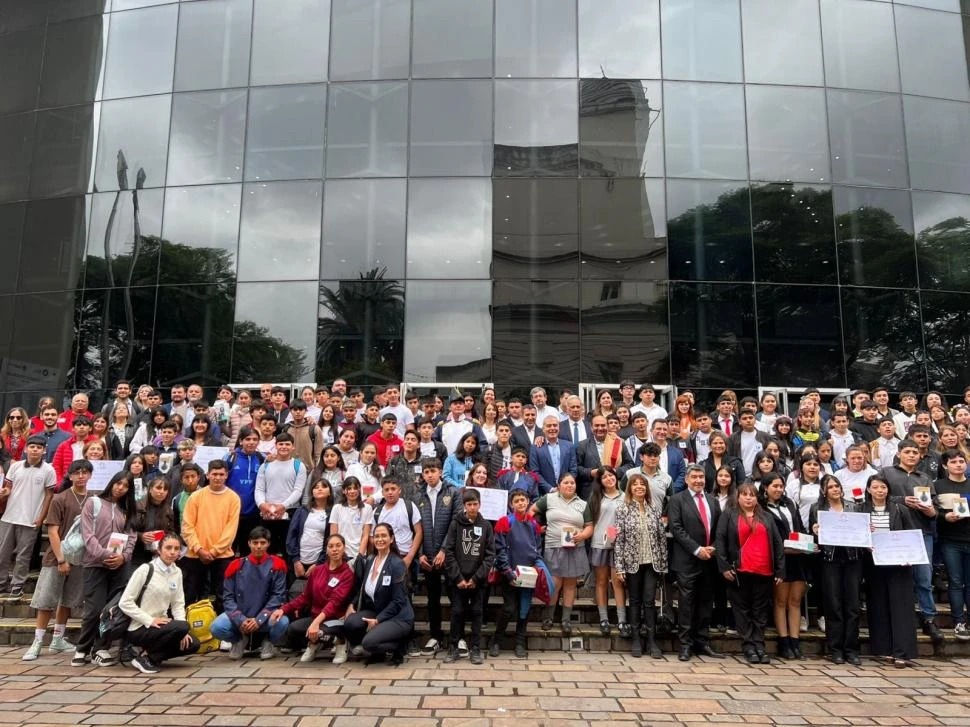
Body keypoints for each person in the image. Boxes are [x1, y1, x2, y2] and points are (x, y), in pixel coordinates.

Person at [22, 459, 92, 661]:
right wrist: (61, 559)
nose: (81, 476)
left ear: (89, 475)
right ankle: (37, 642)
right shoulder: (60, 499)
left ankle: (58, 638)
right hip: (56, 557)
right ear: (69, 475)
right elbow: (52, 531)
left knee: (69, 600)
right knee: (46, 601)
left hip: (80, 558)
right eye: (77, 472)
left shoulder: (93, 499)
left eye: (85, 472)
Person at [877, 439, 943, 643]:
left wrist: (932, 511)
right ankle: (897, 617)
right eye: (908, 451)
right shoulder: (886, 473)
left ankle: (928, 618)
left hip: (921, 531)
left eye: (915, 452)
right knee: (896, 578)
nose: (912, 455)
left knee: (924, 578)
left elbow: (934, 508)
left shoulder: (924, 477)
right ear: (899, 454)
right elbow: (878, 496)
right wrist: (902, 500)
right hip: (894, 532)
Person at [73, 471, 137, 667]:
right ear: (112, 483)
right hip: (95, 564)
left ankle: (100, 648)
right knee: (93, 609)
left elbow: (131, 537)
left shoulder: (126, 510)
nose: (120, 488)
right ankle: (82, 649)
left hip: (119, 567)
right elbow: (88, 535)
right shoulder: (94, 503)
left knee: (111, 610)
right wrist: (103, 554)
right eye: (118, 483)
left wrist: (123, 557)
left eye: (125, 486)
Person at [715, 483, 784, 665]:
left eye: (752, 495)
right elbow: (720, 541)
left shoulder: (767, 517)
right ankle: (748, 646)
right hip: (739, 571)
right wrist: (723, 566)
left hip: (764, 570)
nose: (748, 498)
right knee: (742, 610)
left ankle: (759, 645)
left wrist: (780, 569)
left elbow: (777, 544)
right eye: (744, 495)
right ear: (737, 497)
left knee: (760, 611)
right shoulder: (729, 516)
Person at [119, 532, 200, 674]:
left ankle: (148, 658)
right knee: (182, 627)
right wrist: (149, 620)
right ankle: (147, 655)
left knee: (193, 644)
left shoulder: (177, 572)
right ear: (159, 550)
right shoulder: (145, 570)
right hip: (139, 627)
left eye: (176, 549)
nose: (172, 552)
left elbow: (177, 604)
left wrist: (183, 632)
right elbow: (125, 602)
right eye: (168, 548)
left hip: (162, 626)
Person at [860, 474, 919, 667]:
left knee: (901, 606)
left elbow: (911, 534)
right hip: (873, 564)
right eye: (875, 487)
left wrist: (910, 555)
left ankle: (902, 652)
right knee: (879, 605)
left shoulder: (899, 509)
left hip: (898, 563)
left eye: (883, 487)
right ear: (868, 489)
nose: (879, 491)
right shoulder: (861, 510)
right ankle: (884, 649)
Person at [271, 533, 356, 663]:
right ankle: (314, 643)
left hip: (335, 619)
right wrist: (283, 609)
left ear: (344, 548)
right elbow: (305, 597)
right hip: (316, 616)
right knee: (294, 628)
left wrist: (315, 623)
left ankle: (340, 643)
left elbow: (334, 603)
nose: (334, 549)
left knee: (320, 631)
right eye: (331, 546)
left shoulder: (347, 574)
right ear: (326, 550)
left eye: (338, 545)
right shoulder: (317, 570)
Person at [668, 464, 722, 661]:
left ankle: (702, 641)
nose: (699, 480)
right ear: (687, 480)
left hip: (709, 559)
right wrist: (697, 549)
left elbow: (719, 527)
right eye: (695, 477)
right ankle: (685, 644)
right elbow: (676, 528)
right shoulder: (677, 500)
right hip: (687, 560)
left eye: (701, 477)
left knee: (706, 602)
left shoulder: (712, 500)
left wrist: (713, 547)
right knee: (687, 603)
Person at [210, 527, 290, 661]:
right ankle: (239, 641)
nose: (259, 546)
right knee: (217, 627)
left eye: (262, 543)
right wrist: (240, 619)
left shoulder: (277, 565)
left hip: (265, 617)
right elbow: (228, 598)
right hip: (241, 616)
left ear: (268, 544)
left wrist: (259, 620)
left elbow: (278, 596)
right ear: (249, 543)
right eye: (255, 542)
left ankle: (268, 642)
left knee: (282, 622)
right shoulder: (235, 566)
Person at [344, 523, 415, 666]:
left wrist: (378, 620)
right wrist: (352, 604)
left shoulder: (396, 564)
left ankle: (399, 646)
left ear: (391, 539)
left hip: (398, 616)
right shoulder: (370, 560)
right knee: (350, 623)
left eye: (384, 536)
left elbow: (399, 601)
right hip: (377, 609)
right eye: (376, 536)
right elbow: (364, 587)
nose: (380, 539)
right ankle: (379, 643)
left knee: (368, 643)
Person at [809, 475, 861, 665]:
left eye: (837, 486)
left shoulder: (853, 506)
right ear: (824, 490)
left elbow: (861, 531)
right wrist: (815, 531)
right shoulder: (818, 508)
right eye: (830, 487)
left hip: (852, 558)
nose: (834, 489)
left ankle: (852, 649)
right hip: (829, 559)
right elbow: (813, 536)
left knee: (852, 605)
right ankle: (835, 649)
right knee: (833, 605)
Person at [613, 473, 667, 658]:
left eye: (642, 484)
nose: (639, 487)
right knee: (635, 601)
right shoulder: (622, 509)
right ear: (630, 488)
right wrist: (619, 566)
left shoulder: (654, 508)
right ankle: (636, 639)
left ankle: (652, 641)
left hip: (652, 563)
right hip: (631, 563)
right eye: (635, 485)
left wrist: (663, 565)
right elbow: (618, 540)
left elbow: (661, 539)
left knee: (649, 601)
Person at [532, 472, 592, 636]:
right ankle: (548, 617)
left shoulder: (582, 504)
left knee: (570, 584)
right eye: (566, 482)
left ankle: (566, 620)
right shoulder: (549, 498)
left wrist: (583, 535)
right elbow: (532, 510)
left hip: (575, 548)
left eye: (572, 483)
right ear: (559, 485)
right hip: (553, 546)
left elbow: (589, 526)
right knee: (554, 584)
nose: (570, 485)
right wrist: (535, 528)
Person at [758, 472, 809, 660]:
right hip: (778, 557)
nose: (779, 489)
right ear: (765, 488)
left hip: (797, 556)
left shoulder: (789, 503)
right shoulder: (760, 507)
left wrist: (807, 542)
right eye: (775, 486)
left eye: (781, 486)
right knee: (780, 601)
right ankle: (784, 641)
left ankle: (795, 642)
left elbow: (799, 528)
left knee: (795, 601)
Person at [491, 488, 546, 658]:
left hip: (528, 574)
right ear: (511, 504)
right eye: (517, 501)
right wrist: (507, 572)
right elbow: (499, 550)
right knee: (508, 608)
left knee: (524, 609)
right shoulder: (504, 522)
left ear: (528, 501)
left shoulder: (533, 524)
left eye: (523, 500)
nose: (521, 503)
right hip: (510, 574)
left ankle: (520, 643)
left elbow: (537, 549)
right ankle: (496, 641)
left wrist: (537, 567)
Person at [442, 489, 495, 665]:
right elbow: (448, 551)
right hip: (457, 580)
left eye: (475, 504)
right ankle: (453, 646)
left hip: (477, 581)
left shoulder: (486, 526)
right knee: (457, 612)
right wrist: (458, 578)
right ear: (464, 506)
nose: (472, 507)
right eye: (469, 504)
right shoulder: (455, 524)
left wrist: (475, 578)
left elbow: (489, 556)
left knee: (477, 613)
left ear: (480, 505)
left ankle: (476, 648)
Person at [0, 435, 56, 598]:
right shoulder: (15, 466)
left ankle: (17, 585)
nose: (35, 450)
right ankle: (2, 582)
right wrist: (4, 493)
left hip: (31, 519)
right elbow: (9, 488)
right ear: (26, 449)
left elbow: (49, 495)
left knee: (23, 556)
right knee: (2, 553)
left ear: (44, 451)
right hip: (9, 517)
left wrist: (41, 517)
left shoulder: (48, 470)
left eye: (39, 447)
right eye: (32, 447)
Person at [180, 460, 241, 611]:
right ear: (207, 475)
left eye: (221, 474)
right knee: (190, 593)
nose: (218, 477)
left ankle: (220, 630)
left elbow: (230, 530)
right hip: (195, 555)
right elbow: (187, 526)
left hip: (222, 555)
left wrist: (213, 551)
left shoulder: (233, 498)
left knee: (222, 595)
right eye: (214, 474)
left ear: (226, 475)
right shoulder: (196, 497)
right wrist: (199, 549)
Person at [416, 458, 460, 656]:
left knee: (454, 597)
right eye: (426, 472)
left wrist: (444, 550)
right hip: (428, 556)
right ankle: (435, 636)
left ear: (441, 472)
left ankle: (456, 638)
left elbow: (455, 523)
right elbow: (415, 527)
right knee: (432, 599)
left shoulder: (453, 492)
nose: (430, 475)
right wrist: (420, 554)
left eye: (433, 471)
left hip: (449, 555)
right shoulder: (419, 495)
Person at [935, 449, 970, 641]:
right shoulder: (938, 486)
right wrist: (945, 516)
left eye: (961, 461)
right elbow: (931, 511)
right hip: (950, 541)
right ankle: (958, 621)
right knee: (956, 582)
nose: (958, 464)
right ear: (945, 465)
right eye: (954, 462)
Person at [254, 433, 307, 554]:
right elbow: (259, 489)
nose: (284, 447)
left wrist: (283, 506)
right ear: (275, 446)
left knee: (287, 549)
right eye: (281, 444)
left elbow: (298, 490)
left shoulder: (299, 466)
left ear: (293, 447)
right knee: (267, 549)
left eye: (287, 444)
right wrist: (262, 505)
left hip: (290, 512)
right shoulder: (265, 466)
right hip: (267, 513)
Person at [589, 466, 626, 636]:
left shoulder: (626, 497)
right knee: (601, 582)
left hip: (620, 545)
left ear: (616, 477)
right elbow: (590, 521)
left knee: (618, 582)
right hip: (600, 543)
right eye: (604, 477)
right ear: (600, 481)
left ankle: (622, 620)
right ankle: (603, 619)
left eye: (611, 475)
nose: (609, 479)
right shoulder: (596, 498)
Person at [226, 427, 266, 556]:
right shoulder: (231, 457)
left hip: (252, 513)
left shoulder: (261, 458)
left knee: (247, 551)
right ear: (241, 441)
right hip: (231, 513)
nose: (251, 442)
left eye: (255, 439)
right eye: (248, 439)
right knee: (229, 549)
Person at [576, 414, 632, 500]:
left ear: (607, 426)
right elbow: (577, 468)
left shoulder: (618, 443)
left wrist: (615, 472)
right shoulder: (582, 445)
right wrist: (591, 472)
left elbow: (630, 464)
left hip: (614, 490)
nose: (600, 428)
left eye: (603, 425)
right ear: (591, 428)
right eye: (596, 425)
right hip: (590, 492)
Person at [286, 479, 332, 581]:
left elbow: (330, 541)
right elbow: (291, 536)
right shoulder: (302, 510)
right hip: (298, 562)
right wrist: (296, 560)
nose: (320, 489)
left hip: (319, 563)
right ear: (312, 492)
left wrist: (318, 564)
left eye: (323, 487)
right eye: (316, 487)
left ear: (330, 492)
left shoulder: (333, 512)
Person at [529, 416, 578, 496]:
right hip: (544, 493)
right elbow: (535, 472)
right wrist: (550, 489)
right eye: (548, 426)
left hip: (566, 492)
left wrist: (565, 485)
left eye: (555, 425)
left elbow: (573, 469)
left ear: (559, 428)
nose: (552, 428)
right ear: (543, 429)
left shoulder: (569, 446)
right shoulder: (535, 448)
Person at [131, 477, 175, 566]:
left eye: (165, 489)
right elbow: (127, 529)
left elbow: (171, 531)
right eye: (158, 488)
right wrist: (141, 536)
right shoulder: (137, 505)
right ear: (150, 489)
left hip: (159, 554)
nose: (162, 491)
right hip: (137, 553)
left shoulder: (168, 510)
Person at [329, 477, 373, 565]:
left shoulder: (367, 508)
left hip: (359, 555)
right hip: (341, 555)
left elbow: (365, 536)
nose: (352, 491)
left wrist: (360, 555)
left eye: (355, 488)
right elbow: (333, 534)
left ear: (359, 489)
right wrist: (339, 553)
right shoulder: (337, 508)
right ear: (344, 491)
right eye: (349, 488)